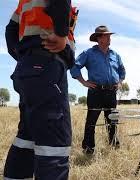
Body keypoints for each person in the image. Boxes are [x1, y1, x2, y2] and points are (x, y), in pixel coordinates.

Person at [4, 0, 77, 179]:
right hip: (48, 66)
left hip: (28, 69)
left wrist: (24, 57)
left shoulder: (24, 2)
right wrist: (61, 34)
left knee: (26, 137)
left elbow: (10, 30)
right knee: (54, 143)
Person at [70, 25, 126, 154]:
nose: (109, 38)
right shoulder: (89, 53)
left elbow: (122, 70)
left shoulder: (115, 55)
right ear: (99, 38)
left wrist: (120, 82)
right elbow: (74, 67)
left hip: (111, 92)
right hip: (96, 92)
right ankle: (88, 148)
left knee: (112, 119)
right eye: (106, 35)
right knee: (91, 121)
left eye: (109, 35)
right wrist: (84, 82)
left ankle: (113, 143)